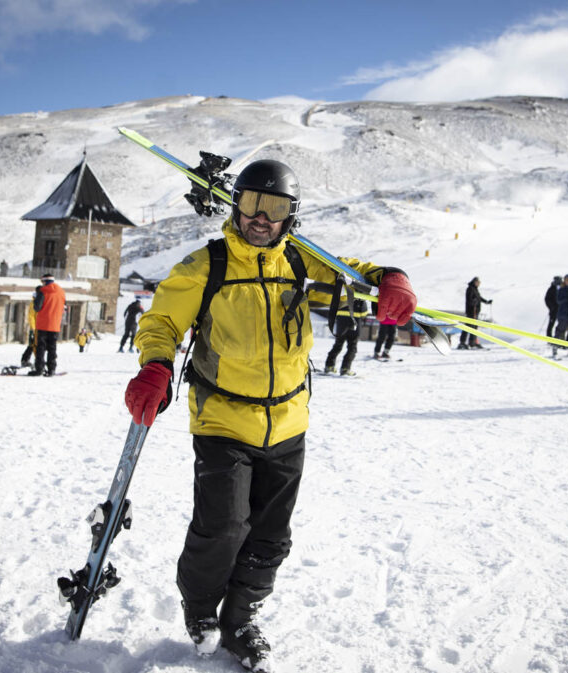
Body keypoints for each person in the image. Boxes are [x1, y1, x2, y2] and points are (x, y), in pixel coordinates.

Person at [123, 159, 417, 669]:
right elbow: (161, 322)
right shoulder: (206, 265)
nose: (262, 217)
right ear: (235, 205)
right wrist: (155, 365)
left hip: (288, 422)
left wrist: (394, 279)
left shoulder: (302, 261)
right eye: (253, 204)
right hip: (222, 419)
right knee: (223, 527)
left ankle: (240, 620)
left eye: (275, 207)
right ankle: (201, 612)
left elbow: (359, 276)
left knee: (270, 535)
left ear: (291, 216)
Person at [28, 273, 66, 376]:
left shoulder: (43, 292)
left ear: (45, 281)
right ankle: (51, 369)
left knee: (41, 347)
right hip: (55, 324)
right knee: (52, 348)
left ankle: (39, 369)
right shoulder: (61, 292)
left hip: (43, 324)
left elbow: (37, 308)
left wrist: (36, 299)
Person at [324, 298, 368, 375]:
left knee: (338, 345)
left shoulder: (342, 295)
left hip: (341, 324)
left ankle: (329, 366)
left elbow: (334, 308)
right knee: (352, 347)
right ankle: (345, 368)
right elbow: (364, 313)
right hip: (355, 324)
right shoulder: (360, 296)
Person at [458, 277, 491, 349]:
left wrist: (486, 302)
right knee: (470, 327)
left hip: (475, 311)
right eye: (478, 282)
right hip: (472, 311)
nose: (479, 284)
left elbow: (479, 298)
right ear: (475, 282)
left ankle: (471, 342)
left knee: (473, 327)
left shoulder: (475, 289)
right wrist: (475, 302)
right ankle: (465, 343)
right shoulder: (470, 289)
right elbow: (470, 300)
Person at [20, 301, 37, 367]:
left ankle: (26, 359)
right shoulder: (34, 303)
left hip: (38, 328)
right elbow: (31, 316)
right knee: (32, 345)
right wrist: (33, 328)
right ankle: (25, 359)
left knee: (34, 345)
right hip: (35, 328)